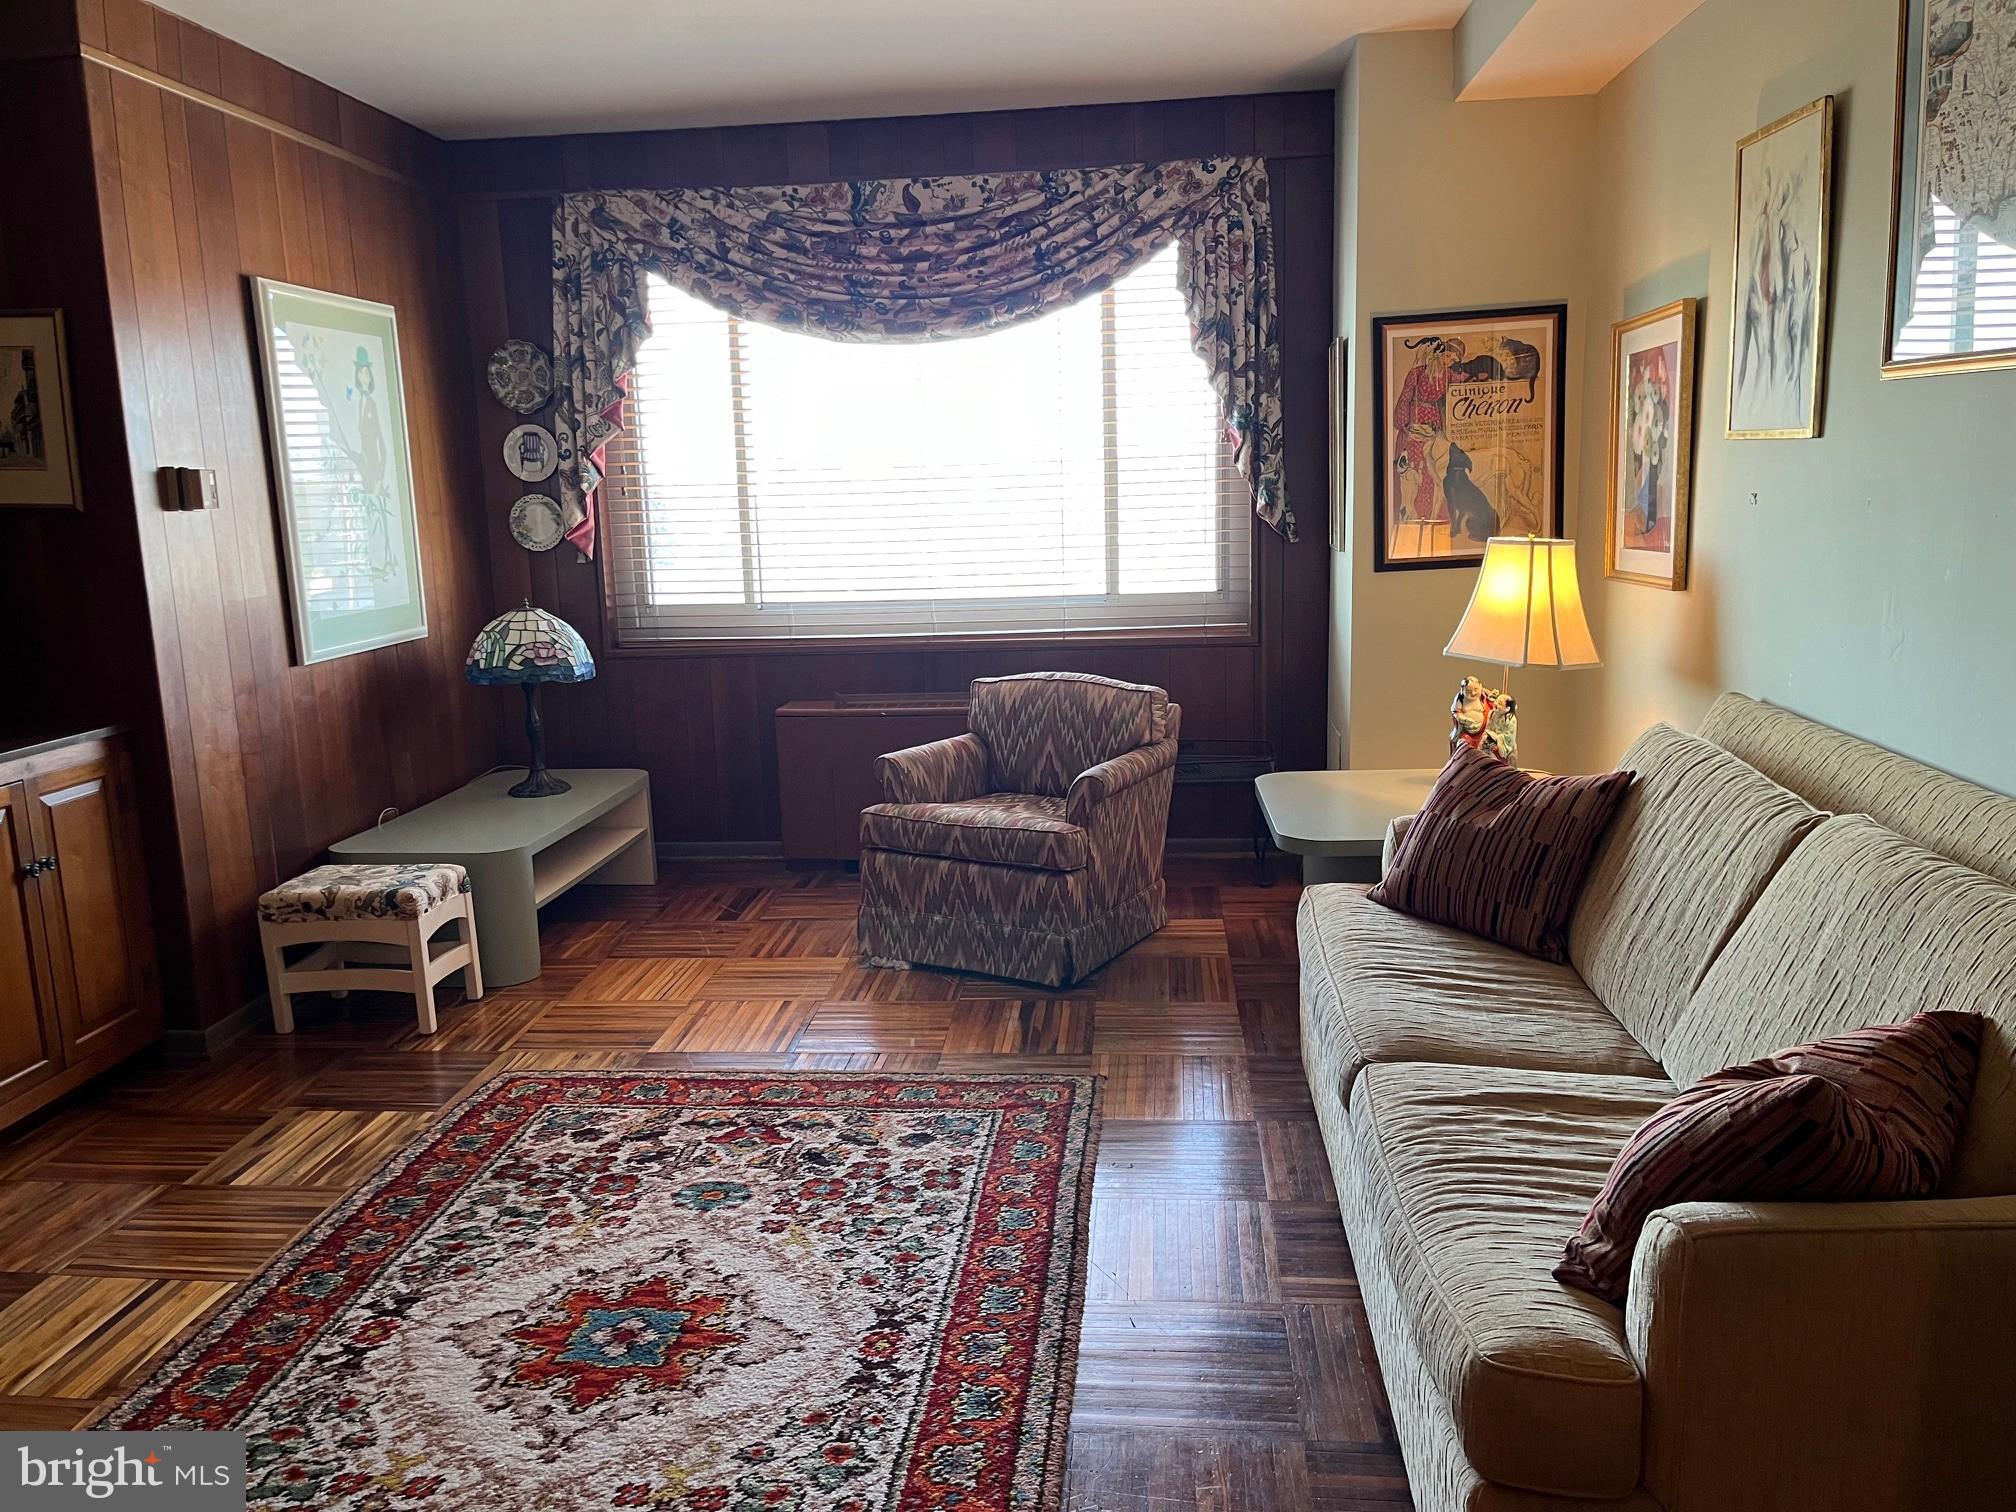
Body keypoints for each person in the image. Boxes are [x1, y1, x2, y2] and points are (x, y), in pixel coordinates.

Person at [1391, 336, 1462, 532]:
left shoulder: (1447, 376)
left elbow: (1462, 380)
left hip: (1433, 425)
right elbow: (1405, 398)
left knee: (1433, 471)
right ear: (1439, 353)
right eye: (1448, 356)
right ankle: (1412, 519)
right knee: (1415, 471)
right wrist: (1405, 424)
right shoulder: (1417, 373)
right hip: (1414, 425)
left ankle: (1433, 518)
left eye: (1454, 360)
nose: (1449, 362)